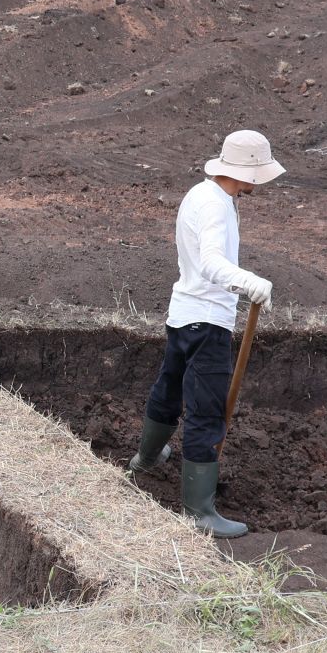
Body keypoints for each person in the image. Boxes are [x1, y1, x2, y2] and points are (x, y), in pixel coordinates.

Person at [128, 130, 282, 538]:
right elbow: (213, 263)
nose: (258, 183)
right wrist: (249, 282)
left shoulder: (202, 193)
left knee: (169, 387)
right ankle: (199, 512)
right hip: (208, 321)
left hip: (183, 314)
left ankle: (146, 458)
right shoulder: (216, 206)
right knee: (205, 411)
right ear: (245, 171)